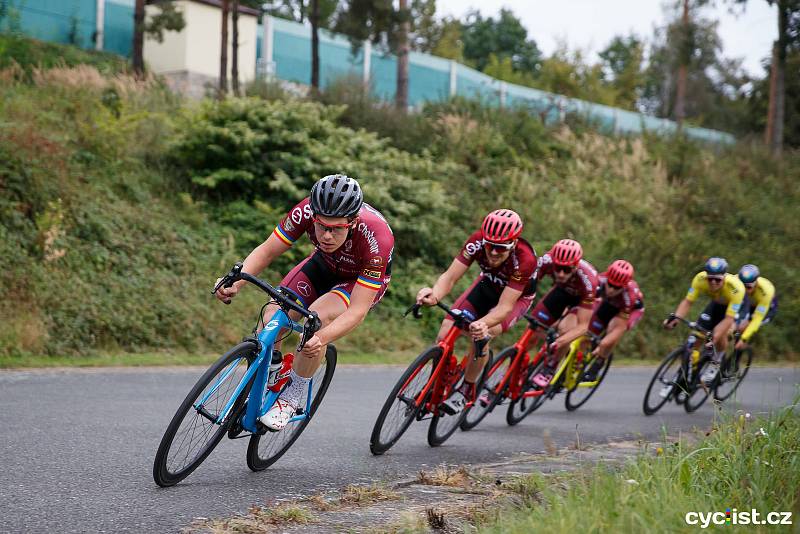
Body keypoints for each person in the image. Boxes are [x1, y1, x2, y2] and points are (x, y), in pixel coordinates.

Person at [215, 174, 394, 430]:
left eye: (335, 229)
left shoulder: (377, 240)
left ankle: (292, 397)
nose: (327, 236)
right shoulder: (305, 211)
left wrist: (322, 338)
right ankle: (275, 369)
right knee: (271, 317)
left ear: (352, 222)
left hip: (357, 280)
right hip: (324, 264)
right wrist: (236, 282)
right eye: (321, 227)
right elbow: (267, 250)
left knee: (317, 320)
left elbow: (357, 311)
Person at [416, 209, 537, 414]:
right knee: (446, 328)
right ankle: (438, 383)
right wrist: (434, 294)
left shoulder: (525, 261)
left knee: (482, 334)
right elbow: (450, 277)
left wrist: (484, 323)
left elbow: (505, 307)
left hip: (515, 299)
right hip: (487, 285)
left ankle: (466, 389)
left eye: (501, 248)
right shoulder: (477, 242)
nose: (494, 253)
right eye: (490, 246)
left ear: (514, 244)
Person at [663, 257, 744, 384]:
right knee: (698, 335)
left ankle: (716, 363)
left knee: (721, 334)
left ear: (724, 277)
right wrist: (676, 319)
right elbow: (688, 302)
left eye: (717, 280)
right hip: (716, 305)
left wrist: (714, 338)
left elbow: (729, 318)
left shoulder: (735, 288)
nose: (713, 282)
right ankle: (691, 372)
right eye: (710, 278)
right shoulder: (700, 279)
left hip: (733, 309)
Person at [529, 239, 599, 388]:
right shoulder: (546, 261)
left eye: (566, 270)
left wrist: (561, 341)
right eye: (558, 268)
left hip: (579, 301)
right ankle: (518, 365)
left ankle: (550, 367)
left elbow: (583, 326)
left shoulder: (588, 280)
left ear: (575, 266)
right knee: (534, 328)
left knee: (565, 330)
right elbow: (527, 285)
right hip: (560, 292)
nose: (560, 274)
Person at [581, 260, 645, 382]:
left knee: (612, 331)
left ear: (625, 286)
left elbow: (619, 328)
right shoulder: (601, 279)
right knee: (588, 331)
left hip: (630, 311)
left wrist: (603, 344)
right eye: (610, 284)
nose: (611, 289)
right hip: (608, 304)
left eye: (617, 287)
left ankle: (598, 363)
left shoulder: (629, 296)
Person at [734, 264, 777, 351]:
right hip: (748, 304)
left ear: (756, 283)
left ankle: (737, 356)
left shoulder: (766, 291)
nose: (745, 290)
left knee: (743, 327)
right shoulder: (734, 280)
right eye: (742, 286)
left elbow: (757, 320)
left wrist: (744, 338)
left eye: (748, 287)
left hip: (766, 308)